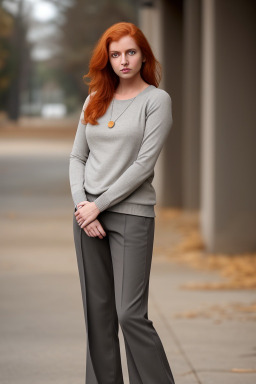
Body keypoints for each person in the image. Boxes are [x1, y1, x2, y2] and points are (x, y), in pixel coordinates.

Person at [69, 21, 175, 384]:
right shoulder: (94, 99)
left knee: (130, 313)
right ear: (107, 59)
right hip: (88, 217)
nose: (123, 60)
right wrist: (83, 206)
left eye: (130, 52)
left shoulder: (156, 101)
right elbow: (77, 159)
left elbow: (144, 165)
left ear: (143, 54)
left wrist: (100, 205)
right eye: (115, 54)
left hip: (131, 214)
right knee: (98, 316)